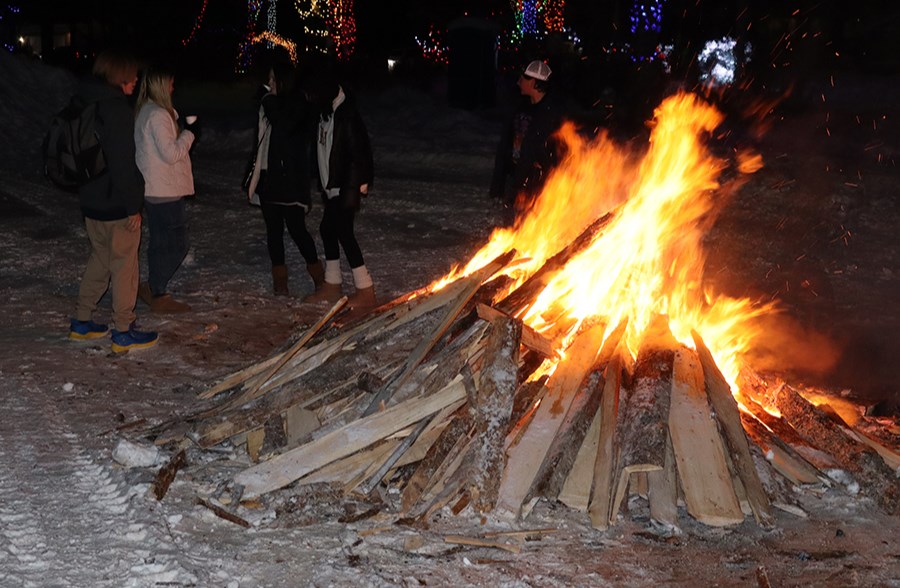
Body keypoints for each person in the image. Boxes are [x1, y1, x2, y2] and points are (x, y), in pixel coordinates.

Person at [68, 48, 158, 352]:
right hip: (115, 203)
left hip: (91, 201)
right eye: (131, 75)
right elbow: (122, 163)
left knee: (101, 259)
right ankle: (123, 330)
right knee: (124, 265)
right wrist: (133, 205)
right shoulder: (115, 109)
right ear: (119, 75)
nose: (135, 80)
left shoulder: (83, 102)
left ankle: (82, 321)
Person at [302, 69, 375, 314]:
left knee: (343, 230)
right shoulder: (326, 112)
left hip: (347, 185)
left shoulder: (347, 114)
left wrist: (360, 183)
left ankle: (365, 290)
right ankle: (333, 283)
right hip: (331, 185)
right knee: (328, 229)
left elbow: (360, 150)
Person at [248, 59, 323, 296]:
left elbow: (284, 125)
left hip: (291, 181)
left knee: (297, 229)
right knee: (273, 231)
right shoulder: (271, 105)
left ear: (283, 80)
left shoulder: (297, 104)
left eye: (272, 79)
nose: (268, 84)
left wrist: (268, 101)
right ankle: (280, 279)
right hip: (271, 177)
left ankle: (319, 276)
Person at [134, 65, 199, 313]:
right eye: (170, 83)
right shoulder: (157, 115)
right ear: (161, 85)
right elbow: (171, 154)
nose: (173, 87)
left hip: (155, 189)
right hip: (164, 191)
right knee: (178, 243)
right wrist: (190, 133)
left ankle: (153, 289)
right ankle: (157, 291)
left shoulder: (148, 111)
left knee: (160, 242)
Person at [490, 59, 567, 216]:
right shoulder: (519, 107)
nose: (518, 82)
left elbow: (546, 154)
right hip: (516, 178)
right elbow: (506, 145)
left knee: (527, 227)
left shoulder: (550, 115)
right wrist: (499, 185)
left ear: (533, 82)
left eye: (522, 78)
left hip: (535, 187)